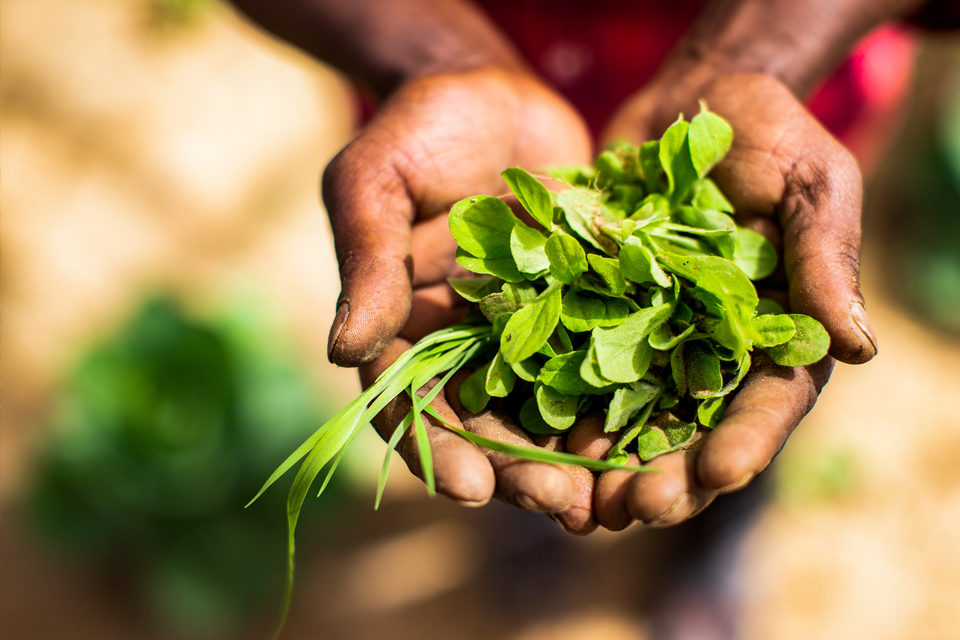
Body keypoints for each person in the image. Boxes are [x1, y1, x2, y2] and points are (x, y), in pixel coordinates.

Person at [230, 0, 958, 534]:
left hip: (787, 74)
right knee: (524, 459)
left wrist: (757, 55)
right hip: (453, 82)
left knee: (745, 419)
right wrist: (437, 58)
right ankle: (530, 531)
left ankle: (716, 535)